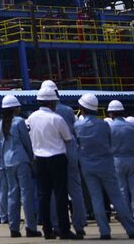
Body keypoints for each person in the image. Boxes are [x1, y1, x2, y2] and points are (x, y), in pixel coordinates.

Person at [75, 94, 134, 240]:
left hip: (87, 166)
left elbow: (77, 145)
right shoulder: (103, 125)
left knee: (96, 198)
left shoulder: (77, 126)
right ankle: (132, 229)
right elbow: (110, 142)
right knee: (117, 197)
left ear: (82, 109)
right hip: (106, 164)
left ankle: (104, 231)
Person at [27, 85, 73, 240]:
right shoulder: (56, 118)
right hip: (57, 158)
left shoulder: (31, 118)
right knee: (60, 195)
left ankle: (47, 230)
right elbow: (68, 138)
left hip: (39, 159)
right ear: (52, 103)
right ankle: (64, 229)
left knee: (43, 196)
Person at [43, 81, 87, 238]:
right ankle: (80, 224)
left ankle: (56, 225)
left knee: (56, 191)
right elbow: (74, 133)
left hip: (55, 153)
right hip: (71, 152)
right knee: (76, 191)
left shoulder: (43, 113)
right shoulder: (68, 110)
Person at [0, 95, 40, 238]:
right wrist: (31, 158)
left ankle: (14, 228)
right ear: (16, 108)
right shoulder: (19, 122)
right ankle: (31, 227)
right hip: (21, 160)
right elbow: (26, 142)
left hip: (7, 161)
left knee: (12, 195)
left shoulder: (1, 123)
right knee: (26, 194)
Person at [107, 101, 134, 225]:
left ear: (111, 113)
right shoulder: (132, 127)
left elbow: (107, 145)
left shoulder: (109, 127)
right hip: (132, 159)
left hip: (116, 160)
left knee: (122, 189)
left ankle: (125, 216)